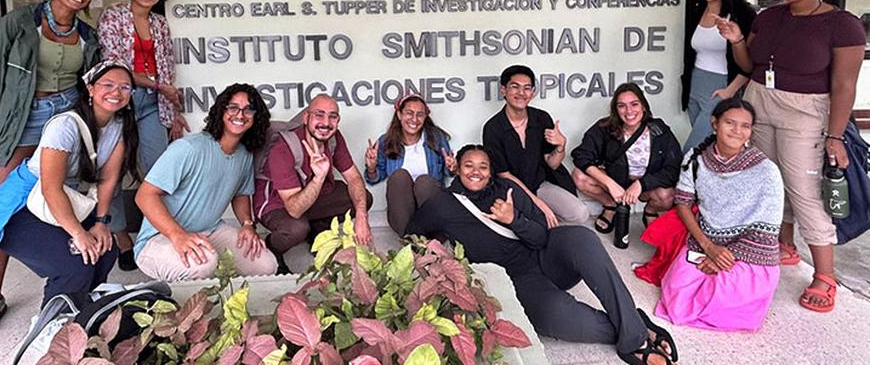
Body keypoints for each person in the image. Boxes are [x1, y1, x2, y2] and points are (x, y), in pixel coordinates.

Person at [407, 145, 678, 365]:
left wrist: (514, 219)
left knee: (582, 237)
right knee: (557, 317)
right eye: (469, 166)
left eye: (483, 166)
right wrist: (439, 259)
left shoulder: (507, 190)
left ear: (490, 172)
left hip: (546, 256)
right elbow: (413, 234)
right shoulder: (443, 205)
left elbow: (541, 236)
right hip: (517, 281)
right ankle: (633, 324)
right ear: (457, 168)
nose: (476, 172)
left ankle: (634, 340)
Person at [716, 0, 864, 313]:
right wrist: (737, 39)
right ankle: (785, 245)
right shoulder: (768, 17)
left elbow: (845, 84)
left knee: (805, 189)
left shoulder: (842, 24)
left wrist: (835, 135)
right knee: (769, 180)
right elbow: (751, 64)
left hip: (806, 111)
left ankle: (825, 275)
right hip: (759, 102)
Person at [0, 0, 102, 346]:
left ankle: (68, 273)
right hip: (24, 115)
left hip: (67, 113)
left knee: (59, 191)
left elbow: (91, 83)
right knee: (1, 204)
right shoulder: (20, 22)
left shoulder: (86, 35)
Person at [0, 60, 138, 310]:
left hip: (58, 201)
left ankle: (84, 311)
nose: (116, 92)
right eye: (107, 84)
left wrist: (100, 224)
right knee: (73, 263)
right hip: (21, 206)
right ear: (89, 88)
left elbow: (107, 179)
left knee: (105, 250)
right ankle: (54, 327)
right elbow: (50, 188)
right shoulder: (64, 125)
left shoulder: (119, 126)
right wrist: (79, 233)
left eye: (125, 87)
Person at [656, 98, 783, 331]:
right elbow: (683, 203)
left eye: (745, 126)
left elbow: (767, 230)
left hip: (750, 251)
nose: (737, 131)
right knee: (676, 295)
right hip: (707, 241)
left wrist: (726, 257)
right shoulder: (696, 159)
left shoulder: (766, 171)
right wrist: (708, 247)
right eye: (730, 123)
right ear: (714, 124)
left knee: (725, 298)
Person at [98, 0, 190, 271]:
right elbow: (115, 65)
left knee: (157, 170)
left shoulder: (160, 24)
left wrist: (175, 112)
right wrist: (157, 84)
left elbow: (169, 72)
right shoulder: (113, 17)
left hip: (154, 103)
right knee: (113, 170)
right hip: (119, 102)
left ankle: (154, 232)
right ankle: (121, 238)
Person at [134, 84, 277, 281]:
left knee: (266, 265)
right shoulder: (188, 148)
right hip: (161, 237)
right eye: (233, 107)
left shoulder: (244, 154)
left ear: (256, 116)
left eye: (248, 109)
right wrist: (178, 235)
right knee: (203, 265)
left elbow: (241, 193)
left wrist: (247, 224)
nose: (240, 114)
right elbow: (144, 195)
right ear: (221, 111)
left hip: (210, 230)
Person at [256, 94, 373, 274]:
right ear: (306, 118)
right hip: (276, 202)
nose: (326, 122)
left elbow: (354, 178)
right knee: (296, 228)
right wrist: (318, 178)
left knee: (362, 197)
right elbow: (294, 209)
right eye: (319, 115)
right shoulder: (283, 147)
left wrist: (362, 217)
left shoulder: (333, 137)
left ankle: (317, 230)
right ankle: (272, 249)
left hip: (309, 195)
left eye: (332, 116)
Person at [482, 65, 588, 228]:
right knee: (535, 226)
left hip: (540, 184)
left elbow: (552, 163)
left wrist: (561, 145)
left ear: (533, 92)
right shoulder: (493, 127)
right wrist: (538, 203)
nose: (521, 93)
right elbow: (504, 175)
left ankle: (540, 216)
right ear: (503, 90)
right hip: (512, 189)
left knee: (580, 214)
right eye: (514, 87)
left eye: (527, 88)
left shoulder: (541, 118)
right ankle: (534, 216)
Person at [571, 83, 681, 233]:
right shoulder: (605, 127)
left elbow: (673, 169)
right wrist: (609, 183)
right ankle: (611, 205)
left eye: (634, 104)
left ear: (643, 106)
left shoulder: (659, 130)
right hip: (616, 181)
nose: (629, 111)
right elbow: (581, 156)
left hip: (646, 186)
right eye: (622, 106)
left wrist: (641, 184)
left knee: (668, 195)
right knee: (579, 176)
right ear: (616, 110)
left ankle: (650, 212)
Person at [681, 0, 755, 152]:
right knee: (709, 146)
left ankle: (679, 179)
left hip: (722, 85)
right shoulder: (696, 11)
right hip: (695, 83)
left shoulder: (743, 14)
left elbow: (752, 60)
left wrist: (730, 90)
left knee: (693, 147)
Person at [363, 93, 456, 236]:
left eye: (420, 114)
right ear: (399, 114)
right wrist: (371, 167)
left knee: (424, 182)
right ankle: (410, 240)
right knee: (399, 176)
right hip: (402, 213)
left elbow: (447, 172)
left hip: (431, 209)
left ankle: (432, 237)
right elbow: (374, 178)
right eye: (409, 113)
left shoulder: (436, 138)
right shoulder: (385, 141)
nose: (414, 119)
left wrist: (452, 168)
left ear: (425, 117)